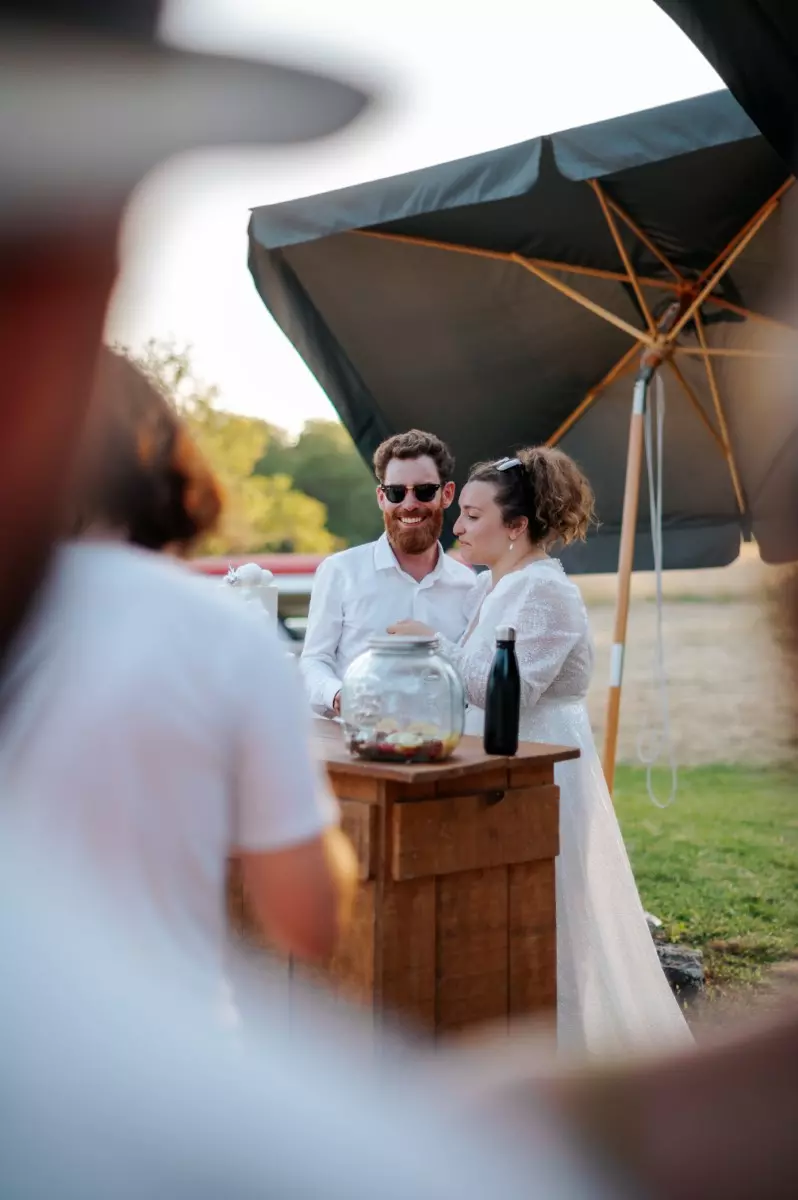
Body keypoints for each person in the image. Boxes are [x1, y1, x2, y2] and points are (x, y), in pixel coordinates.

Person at [391, 446, 691, 1054]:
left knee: (551, 910)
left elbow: (512, 692)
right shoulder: (491, 589)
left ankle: (571, 1052)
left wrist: (431, 644)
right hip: (493, 759)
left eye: (473, 516)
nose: (457, 527)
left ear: (517, 526)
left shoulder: (547, 593)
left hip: (545, 766)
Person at [300, 428, 477, 716]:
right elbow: (313, 661)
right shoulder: (339, 571)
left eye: (424, 491)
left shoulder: (468, 583)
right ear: (382, 497)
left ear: (446, 494)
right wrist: (339, 695)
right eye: (396, 492)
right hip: (358, 744)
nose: (409, 504)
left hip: (443, 747)